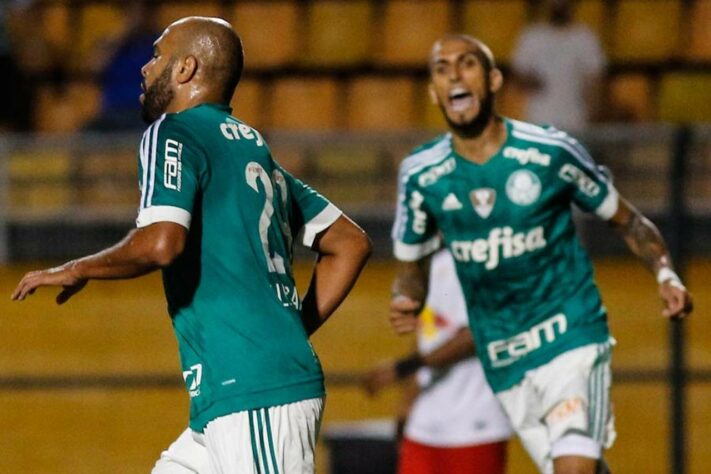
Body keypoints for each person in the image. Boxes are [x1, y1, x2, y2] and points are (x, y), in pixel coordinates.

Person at [13, 16, 372, 473]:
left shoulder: (174, 131)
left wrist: (80, 267)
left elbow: (162, 242)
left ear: (185, 69)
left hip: (253, 395)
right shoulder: (252, 150)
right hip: (229, 398)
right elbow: (349, 241)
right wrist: (290, 331)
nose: (145, 68)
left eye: (157, 55)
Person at [389, 34, 692, 474]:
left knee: (574, 465)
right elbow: (410, 268)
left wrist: (666, 274)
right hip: (505, 358)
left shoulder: (549, 152)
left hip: (570, 336)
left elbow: (628, 221)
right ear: (434, 92)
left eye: (467, 63)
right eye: (442, 68)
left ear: (493, 80)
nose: (454, 73)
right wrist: (407, 298)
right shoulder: (422, 175)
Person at [364, 248, 512, 474]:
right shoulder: (430, 266)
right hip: (424, 425)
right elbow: (427, 336)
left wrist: (402, 368)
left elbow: (475, 334)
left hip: (475, 424)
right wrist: (407, 403)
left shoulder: (485, 262)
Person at [510, 0, 606, 132]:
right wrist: (529, 80)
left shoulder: (585, 38)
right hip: (538, 122)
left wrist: (591, 117)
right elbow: (518, 75)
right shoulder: (531, 37)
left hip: (575, 123)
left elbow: (594, 83)